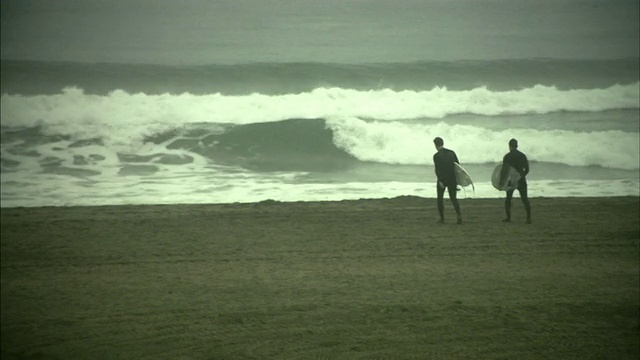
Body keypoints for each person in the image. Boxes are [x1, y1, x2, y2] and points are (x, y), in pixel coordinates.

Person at [432, 137, 462, 224]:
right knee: (453, 199)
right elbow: (457, 167)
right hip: (452, 179)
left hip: (442, 179)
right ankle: (459, 216)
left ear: (435, 145)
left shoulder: (436, 156)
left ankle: (442, 218)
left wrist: (440, 181)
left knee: (440, 199)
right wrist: (457, 181)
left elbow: (438, 170)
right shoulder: (452, 153)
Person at [502, 138, 531, 224]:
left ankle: (508, 217)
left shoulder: (507, 156)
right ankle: (528, 218)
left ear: (509, 146)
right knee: (525, 199)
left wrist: (502, 181)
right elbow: (527, 169)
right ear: (517, 146)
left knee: (508, 199)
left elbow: (504, 171)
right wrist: (521, 175)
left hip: (511, 181)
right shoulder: (522, 156)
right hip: (521, 180)